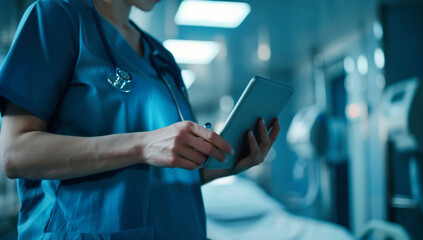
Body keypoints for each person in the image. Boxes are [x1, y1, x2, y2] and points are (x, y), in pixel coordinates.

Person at [0, 0, 280, 239]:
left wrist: (227, 162)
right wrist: (144, 145)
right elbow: (15, 153)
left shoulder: (161, 57)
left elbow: (169, 166)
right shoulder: (58, 17)